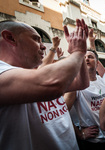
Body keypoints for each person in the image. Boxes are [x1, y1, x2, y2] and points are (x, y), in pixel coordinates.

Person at [0, 19, 89, 150]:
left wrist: (77, 53)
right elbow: (54, 84)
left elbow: (82, 83)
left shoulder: (36, 72)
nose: (43, 47)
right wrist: (78, 52)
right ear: (10, 38)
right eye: (36, 39)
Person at [64, 49, 105, 150]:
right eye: (83, 57)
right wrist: (79, 134)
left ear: (97, 63)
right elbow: (62, 112)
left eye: (90, 57)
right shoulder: (76, 85)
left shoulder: (102, 80)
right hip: (92, 142)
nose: (86, 59)